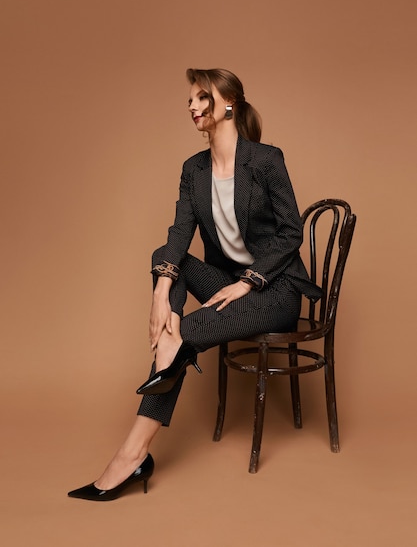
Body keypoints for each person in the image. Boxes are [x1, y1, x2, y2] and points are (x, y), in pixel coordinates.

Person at [68, 68, 322, 501]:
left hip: (273, 291)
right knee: (165, 263)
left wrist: (248, 282)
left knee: (185, 334)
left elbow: (291, 234)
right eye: (189, 99)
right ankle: (173, 338)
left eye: (202, 97)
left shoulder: (264, 160)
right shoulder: (193, 169)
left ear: (229, 104)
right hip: (223, 282)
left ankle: (131, 456)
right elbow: (177, 236)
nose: (192, 105)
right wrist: (160, 297)